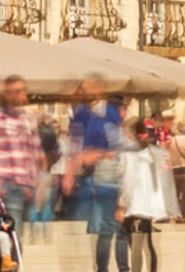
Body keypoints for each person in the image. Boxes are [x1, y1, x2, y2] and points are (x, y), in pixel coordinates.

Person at [64, 77, 128, 272]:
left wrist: (97, 154)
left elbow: (115, 146)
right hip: (95, 177)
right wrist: (70, 172)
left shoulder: (109, 113)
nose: (84, 93)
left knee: (114, 227)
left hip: (109, 174)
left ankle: (118, 268)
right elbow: (74, 144)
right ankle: (104, 268)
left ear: (99, 90)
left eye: (88, 89)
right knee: (106, 228)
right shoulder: (81, 113)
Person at [0, 77, 46, 241]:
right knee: (14, 238)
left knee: (14, 237)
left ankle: (7, 264)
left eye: (22, 91)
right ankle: (12, 265)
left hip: (27, 188)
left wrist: (39, 183)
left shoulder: (29, 119)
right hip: (6, 186)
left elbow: (35, 152)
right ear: (6, 94)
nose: (19, 95)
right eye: (14, 92)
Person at [112, 113, 177, 272]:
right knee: (148, 244)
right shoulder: (152, 152)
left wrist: (122, 205)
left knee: (135, 246)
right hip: (149, 205)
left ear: (129, 134)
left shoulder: (130, 155)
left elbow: (128, 181)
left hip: (135, 205)